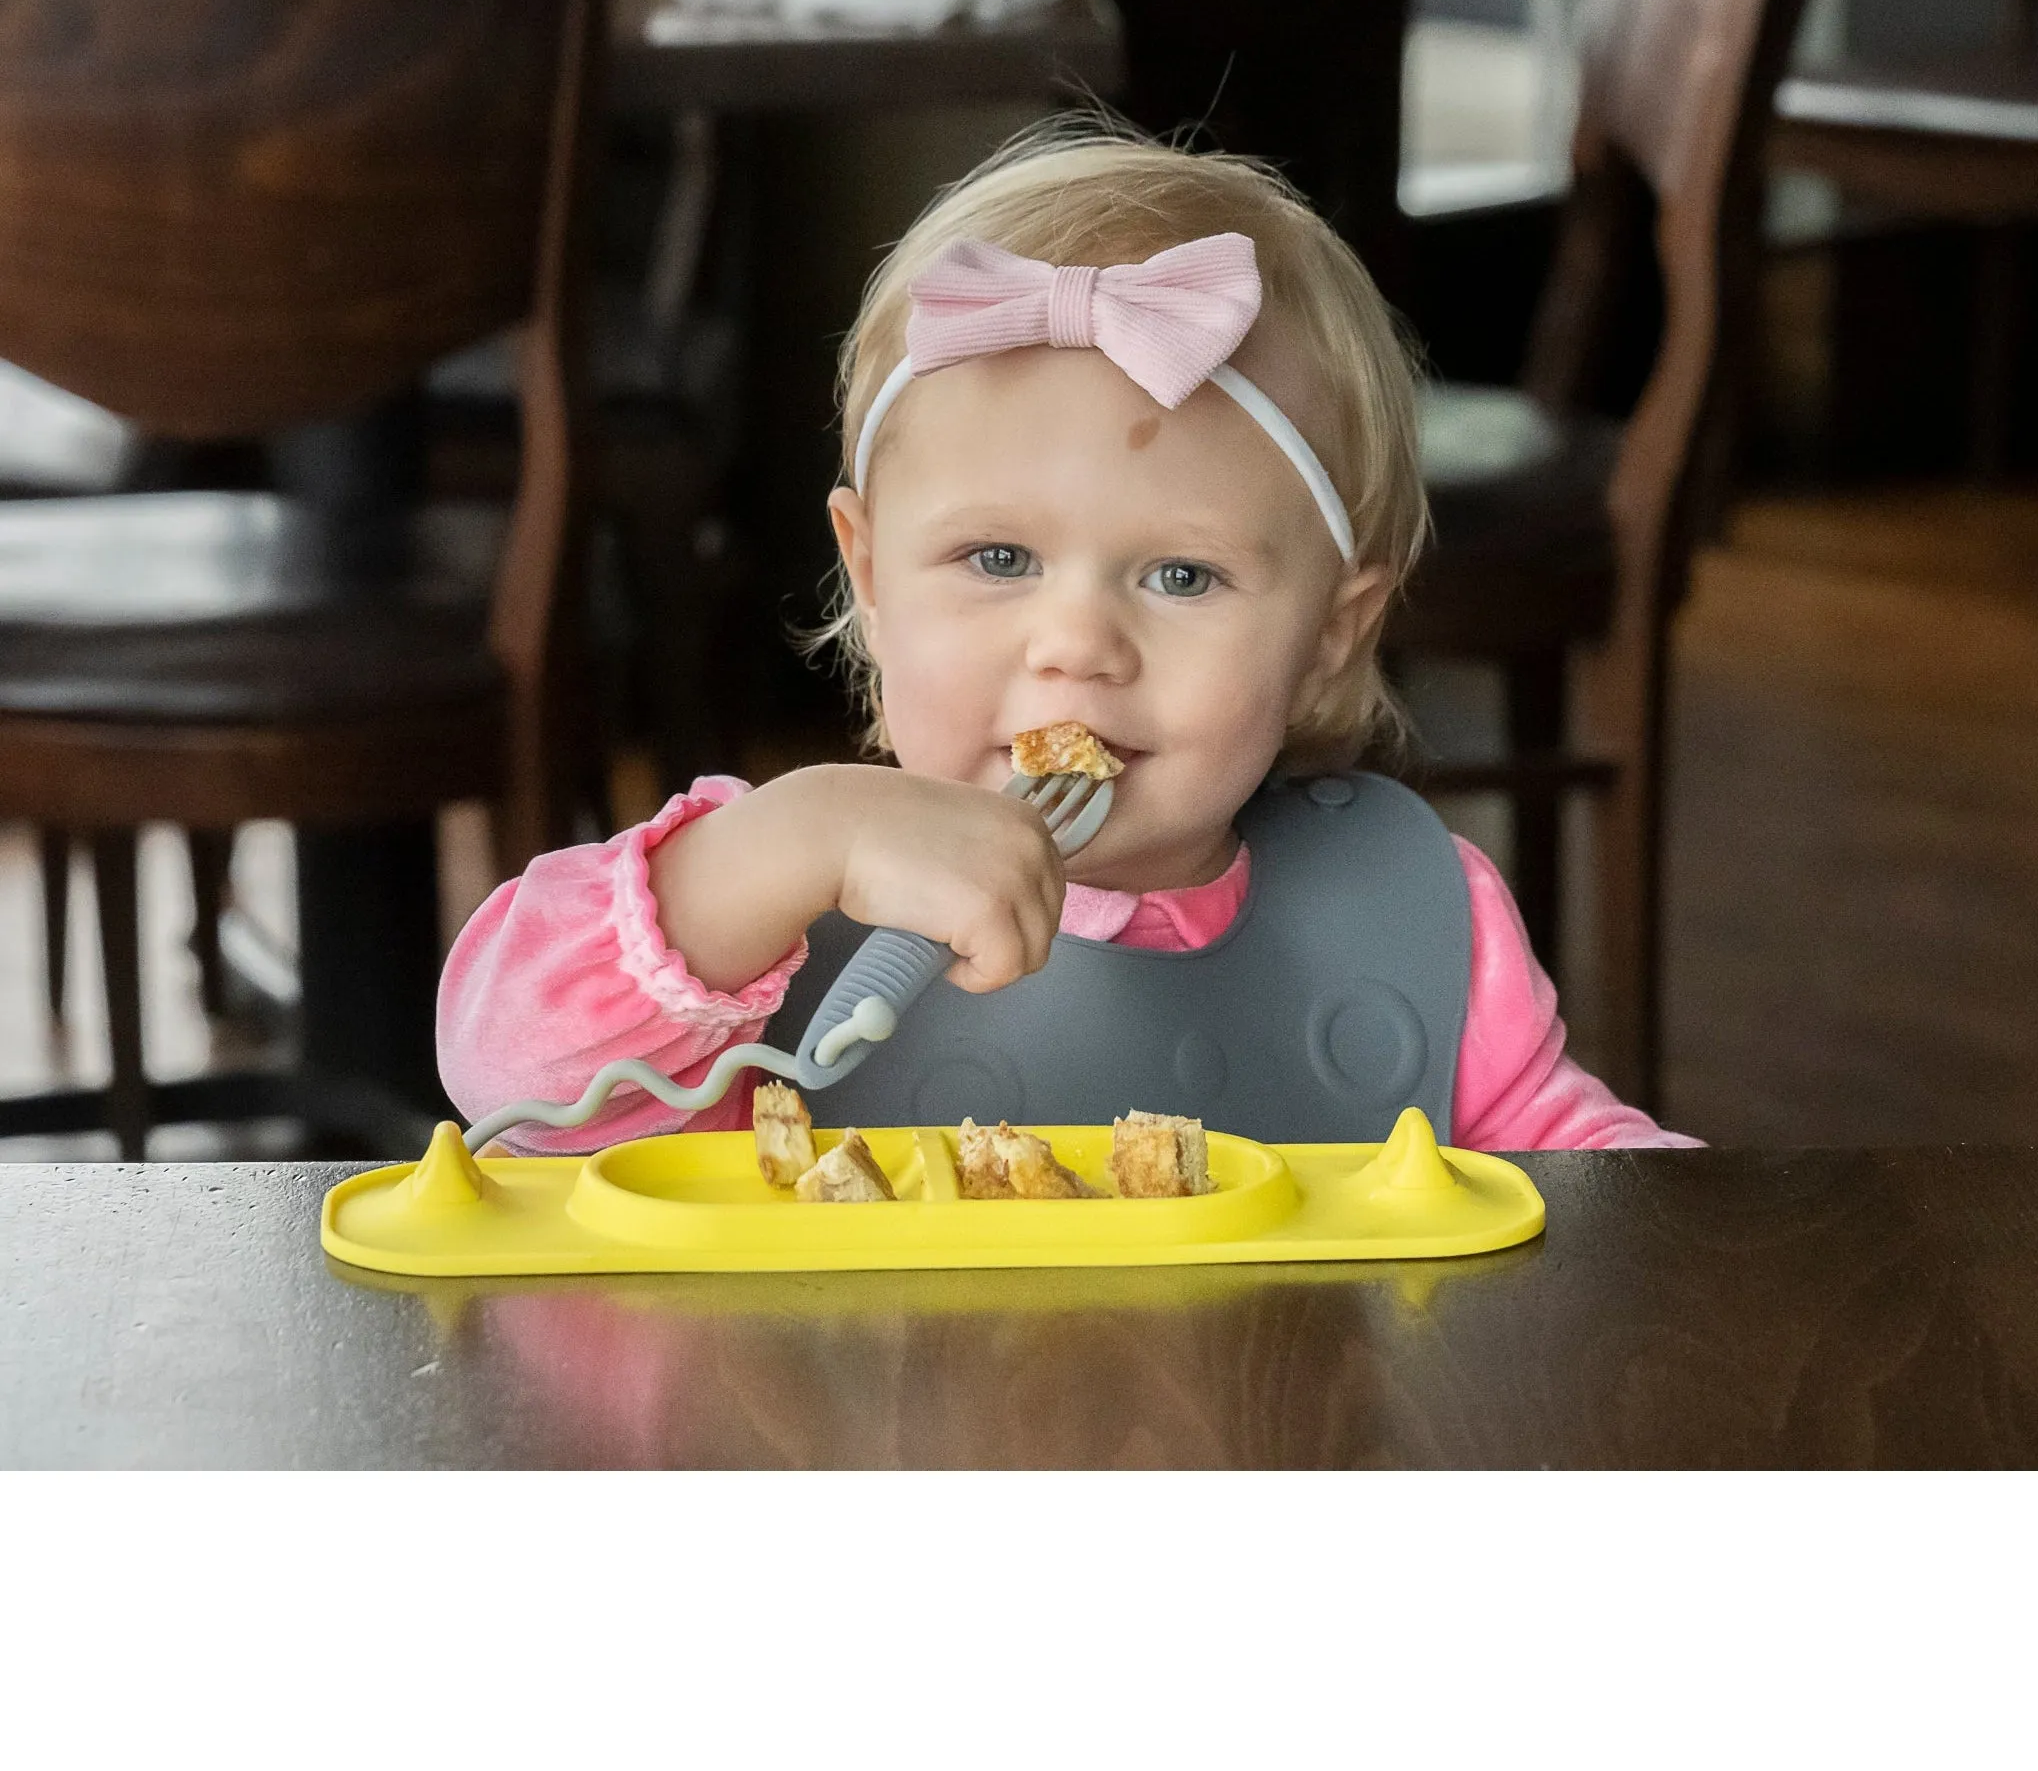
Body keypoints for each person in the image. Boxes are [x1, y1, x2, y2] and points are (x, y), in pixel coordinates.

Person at [438, 120, 1697, 1155]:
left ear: (1331, 630)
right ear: (870, 575)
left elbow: (1580, 1199)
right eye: (998, 560)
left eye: (1182, 575)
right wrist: (783, 845)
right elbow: (500, 1068)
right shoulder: (772, 922)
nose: (1078, 644)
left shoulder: (1412, 915)